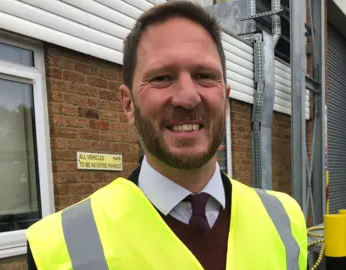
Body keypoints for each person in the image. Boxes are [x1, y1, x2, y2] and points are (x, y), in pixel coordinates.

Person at [25, 1, 307, 269]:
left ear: (226, 97)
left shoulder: (286, 219)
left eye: (204, 75)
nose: (187, 97)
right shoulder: (59, 247)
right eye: (162, 78)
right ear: (128, 104)